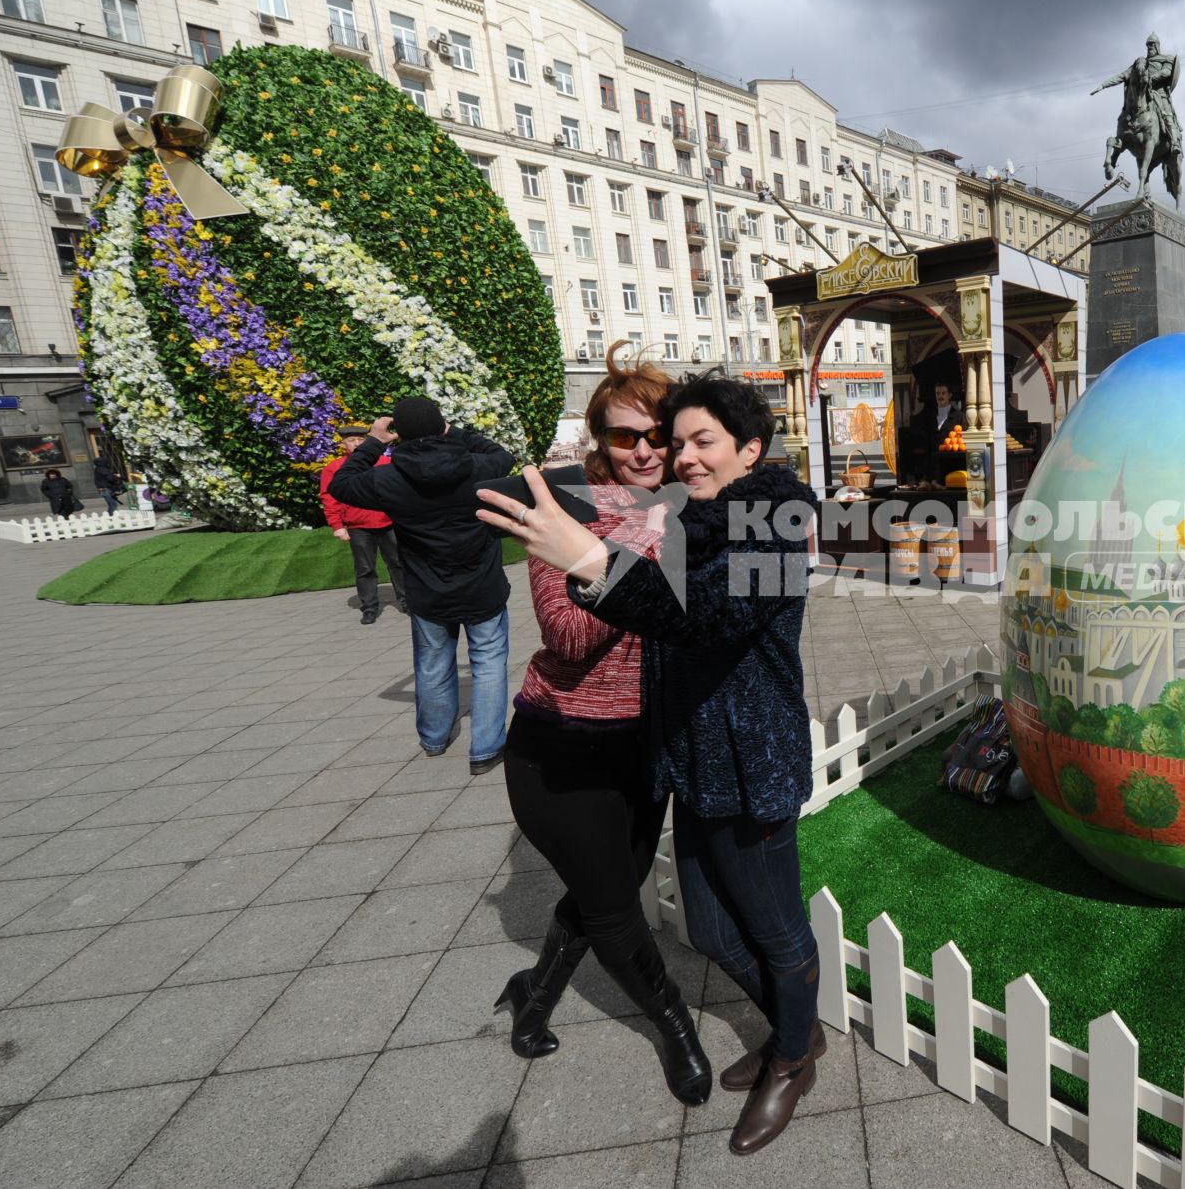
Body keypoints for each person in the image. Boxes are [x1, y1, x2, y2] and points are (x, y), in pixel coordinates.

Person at [479, 370, 823, 1157]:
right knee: (708, 927)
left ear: (750, 449)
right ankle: (796, 1032)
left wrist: (596, 559)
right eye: (679, 442)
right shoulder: (694, 516)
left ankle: (795, 1054)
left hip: (749, 760)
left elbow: (706, 614)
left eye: (703, 442)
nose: (683, 457)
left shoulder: (773, 517)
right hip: (691, 760)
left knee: (775, 930)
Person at [491, 358, 712, 1108]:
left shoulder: (690, 508)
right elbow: (570, 633)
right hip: (562, 749)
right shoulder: (566, 512)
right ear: (601, 439)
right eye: (627, 436)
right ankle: (675, 1027)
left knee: (599, 892)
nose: (646, 451)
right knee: (615, 907)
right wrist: (646, 542)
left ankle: (535, 990)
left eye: (659, 433)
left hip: (640, 748)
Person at [328, 396, 516, 772]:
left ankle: (434, 736)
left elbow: (342, 484)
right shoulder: (477, 466)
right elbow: (503, 455)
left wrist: (375, 441)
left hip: (428, 588)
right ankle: (486, 746)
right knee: (489, 663)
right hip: (481, 585)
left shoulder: (389, 476)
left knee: (432, 663)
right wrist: (453, 431)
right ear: (441, 425)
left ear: (400, 433)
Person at [320, 428, 409, 624]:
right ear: (343, 444)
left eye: (361, 439)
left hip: (388, 522)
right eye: (351, 440)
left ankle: (407, 601)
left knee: (398, 563)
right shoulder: (336, 468)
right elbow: (329, 498)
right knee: (365, 567)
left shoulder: (384, 463)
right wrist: (337, 525)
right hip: (358, 525)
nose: (357, 444)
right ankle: (369, 607)